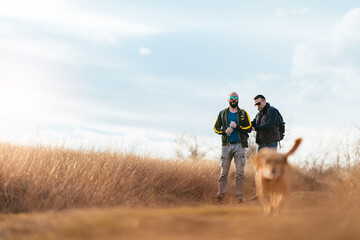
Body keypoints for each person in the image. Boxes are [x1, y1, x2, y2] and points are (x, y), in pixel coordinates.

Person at [213, 92, 252, 204]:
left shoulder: (243, 113)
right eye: (232, 98)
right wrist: (224, 131)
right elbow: (216, 128)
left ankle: (239, 198)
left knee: (240, 173)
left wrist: (237, 127)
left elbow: (249, 128)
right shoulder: (222, 113)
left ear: (238, 100)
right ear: (228, 100)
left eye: (236, 98)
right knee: (223, 173)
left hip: (239, 145)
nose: (233, 99)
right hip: (226, 146)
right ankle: (220, 198)